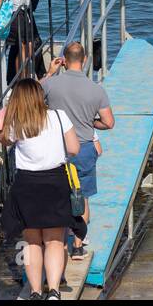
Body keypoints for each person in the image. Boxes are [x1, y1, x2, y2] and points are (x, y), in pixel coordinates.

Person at [0, 79, 79, 300]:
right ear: (40, 96)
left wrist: (8, 111)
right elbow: (74, 148)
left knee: (32, 241)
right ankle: (53, 291)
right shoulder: (59, 116)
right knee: (54, 241)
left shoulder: (16, 122)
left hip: (27, 184)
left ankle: (34, 292)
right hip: (55, 181)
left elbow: (1, 136)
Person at [41, 41, 114, 261]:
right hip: (83, 148)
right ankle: (78, 246)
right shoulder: (96, 90)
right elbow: (109, 123)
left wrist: (49, 72)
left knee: (58, 196)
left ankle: (56, 243)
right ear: (84, 60)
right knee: (81, 197)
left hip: (57, 149)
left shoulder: (51, 85)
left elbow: (28, 96)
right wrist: (92, 123)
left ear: (63, 60)